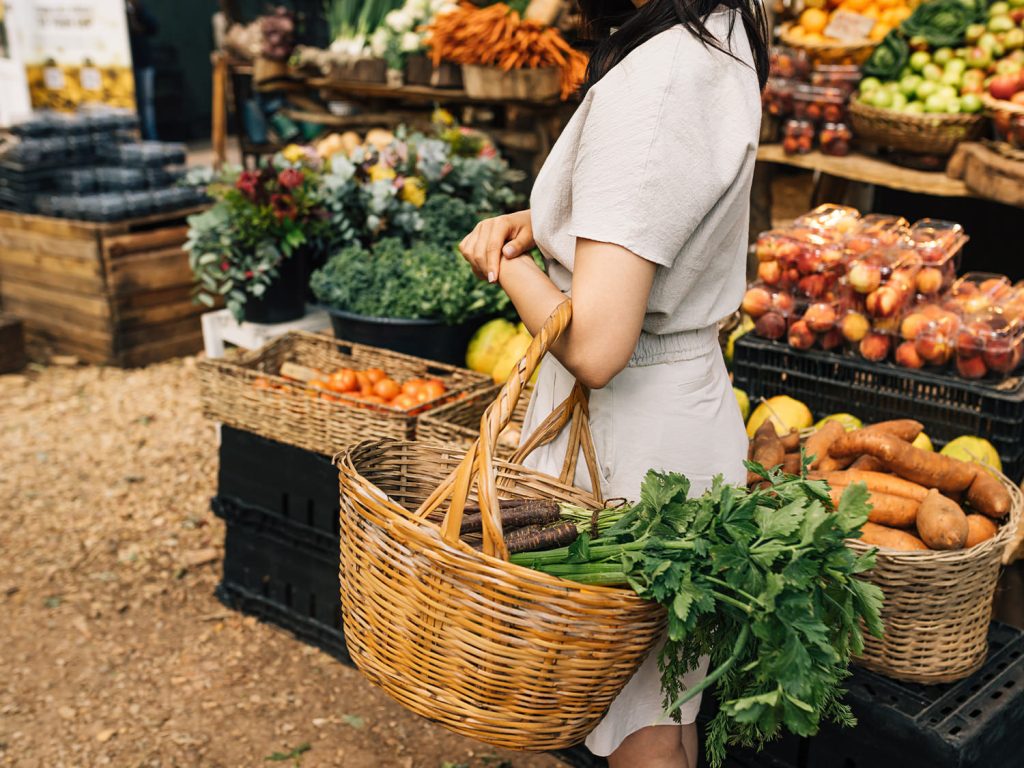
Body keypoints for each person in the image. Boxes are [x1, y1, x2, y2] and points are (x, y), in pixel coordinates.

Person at [458, 0, 769, 765]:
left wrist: (508, 265)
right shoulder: (719, 28)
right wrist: (559, 228)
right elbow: (665, 203)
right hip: (680, 415)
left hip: (633, 451)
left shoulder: (658, 80)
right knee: (664, 706)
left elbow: (596, 345)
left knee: (644, 734)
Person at [126, 0, 159, 139]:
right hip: (125, 66)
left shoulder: (140, 9)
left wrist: (138, 10)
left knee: (147, 103)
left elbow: (154, 27)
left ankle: (151, 137)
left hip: (143, 62)